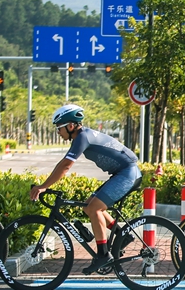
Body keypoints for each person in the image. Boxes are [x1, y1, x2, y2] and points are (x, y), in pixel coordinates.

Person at [30, 104, 141, 261]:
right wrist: (44, 185)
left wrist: (43, 186)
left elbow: (65, 166)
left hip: (127, 173)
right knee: (89, 207)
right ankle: (122, 236)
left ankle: (103, 256)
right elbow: (62, 164)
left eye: (59, 128)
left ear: (70, 126)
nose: (58, 132)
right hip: (122, 173)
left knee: (94, 209)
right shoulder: (82, 136)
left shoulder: (83, 137)